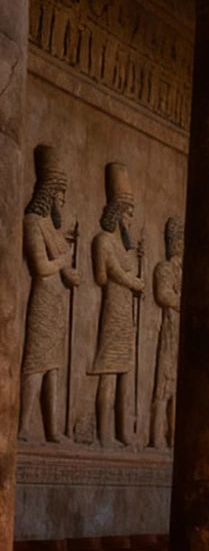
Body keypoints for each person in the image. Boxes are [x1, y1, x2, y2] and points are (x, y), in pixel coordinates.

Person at [18, 144, 78, 443]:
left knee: (54, 365)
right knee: (36, 363)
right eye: (60, 194)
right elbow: (41, 266)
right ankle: (25, 426)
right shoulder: (33, 222)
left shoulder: (55, 229)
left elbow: (65, 271)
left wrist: (72, 272)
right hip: (43, 299)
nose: (63, 200)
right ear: (49, 193)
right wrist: (63, 262)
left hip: (57, 302)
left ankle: (52, 428)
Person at [89, 160, 146, 448]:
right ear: (118, 212)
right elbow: (103, 276)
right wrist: (133, 281)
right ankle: (104, 433)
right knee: (110, 370)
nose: (130, 220)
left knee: (125, 371)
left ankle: (122, 431)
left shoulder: (125, 247)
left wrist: (136, 274)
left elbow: (131, 275)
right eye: (129, 213)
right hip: (113, 306)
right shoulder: (103, 241)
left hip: (126, 312)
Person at [149, 215, 183, 450]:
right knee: (164, 384)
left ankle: (174, 438)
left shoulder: (183, 270)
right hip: (172, 328)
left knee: (179, 387)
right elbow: (164, 295)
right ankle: (156, 436)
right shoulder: (165, 268)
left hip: (184, 331)